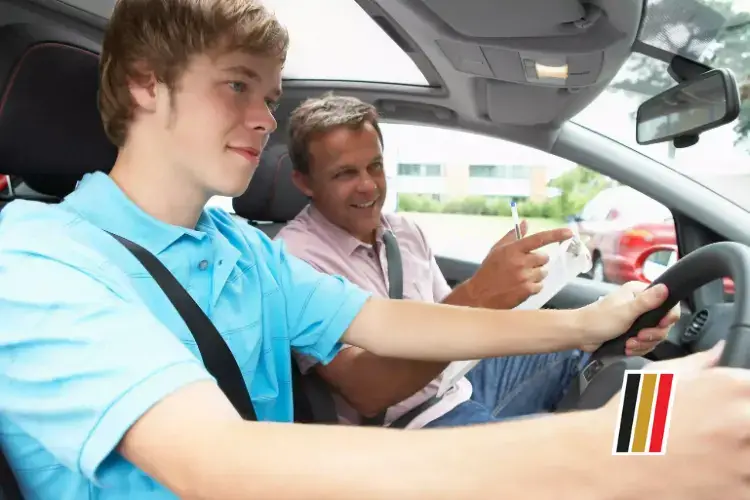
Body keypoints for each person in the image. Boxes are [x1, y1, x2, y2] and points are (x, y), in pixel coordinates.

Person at [0, 1, 747, 499]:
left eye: (270, 95)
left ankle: (662, 403)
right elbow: (213, 462)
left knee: (643, 388)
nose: (265, 118)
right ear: (144, 86)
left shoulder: (237, 248)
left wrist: (588, 324)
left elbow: (394, 322)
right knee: (633, 438)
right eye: (239, 87)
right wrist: (616, 458)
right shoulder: (34, 258)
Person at [277, 93, 618, 428]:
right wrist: (481, 292)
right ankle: (640, 457)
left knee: (617, 362)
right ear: (304, 182)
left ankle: (648, 442)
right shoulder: (292, 259)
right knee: (574, 446)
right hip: (407, 430)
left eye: (375, 166)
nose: (368, 185)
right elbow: (368, 391)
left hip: (455, 386)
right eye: (345, 174)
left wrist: (587, 318)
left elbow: (455, 329)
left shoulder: (404, 232)